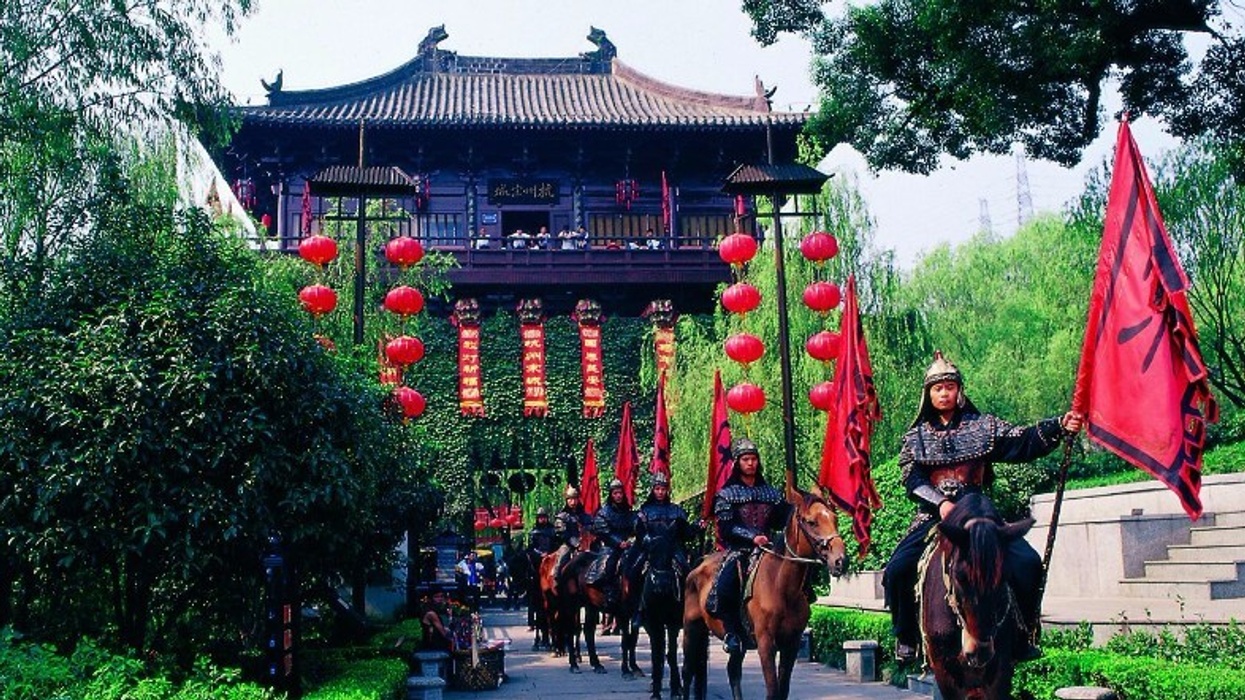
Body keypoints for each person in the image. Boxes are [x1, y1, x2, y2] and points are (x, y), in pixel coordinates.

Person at [883, 351, 1083, 664]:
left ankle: (1025, 631)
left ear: (959, 390)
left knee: (1028, 563)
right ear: (928, 395)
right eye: (938, 388)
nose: (944, 393)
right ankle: (907, 637)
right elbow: (912, 479)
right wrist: (941, 503)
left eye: (950, 386)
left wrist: (1059, 425)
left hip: (978, 512)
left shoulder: (984, 427)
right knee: (896, 570)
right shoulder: (915, 438)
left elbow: (1023, 440)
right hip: (933, 516)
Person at [706, 438, 790, 655]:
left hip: (771, 549)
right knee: (726, 585)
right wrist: (752, 537)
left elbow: (782, 520)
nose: (751, 463)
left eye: (753, 459)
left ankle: (792, 625)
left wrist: (796, 507)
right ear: (737, 463)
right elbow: (726, 527)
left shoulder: (771, 492)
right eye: (746, 459)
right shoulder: (727, 494)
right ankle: (732, 633)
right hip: (741, 551)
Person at [635, 472, 700, 578]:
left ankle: (685, 594)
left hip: (673, 549)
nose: (660, 492)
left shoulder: (676, 510)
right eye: (657, 489)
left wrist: (696, 527)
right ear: (652, 490)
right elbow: (640, 533)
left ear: (667, 491)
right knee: (634, 570)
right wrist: (649, 542)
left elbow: (686, 533)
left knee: (686, 570)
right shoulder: (645, 511)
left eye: (663, 489)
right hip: (651, 549)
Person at [590, 478, 638, 609]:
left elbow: (635, 527)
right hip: (611, 546)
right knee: (608, 566)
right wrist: (618, 543)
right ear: (611, 495)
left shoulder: (629, 512)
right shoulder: (604, 513)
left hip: (629, 545)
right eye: (615, 493)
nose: (618, 495)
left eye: (620, 493)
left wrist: (631, 540)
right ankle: (609, 592)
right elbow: (604, 531)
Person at [552, 486, 595, 580]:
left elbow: (592, 528)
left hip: (586, 544)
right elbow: (562, 533)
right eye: (570, 499)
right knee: (562, 557)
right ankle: (557, 579)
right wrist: (576, 543)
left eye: (575, 499)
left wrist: (589, 537)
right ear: (566, 500)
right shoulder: (562, 516)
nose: (573, 502)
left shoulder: (585, 516)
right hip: (569, 544)